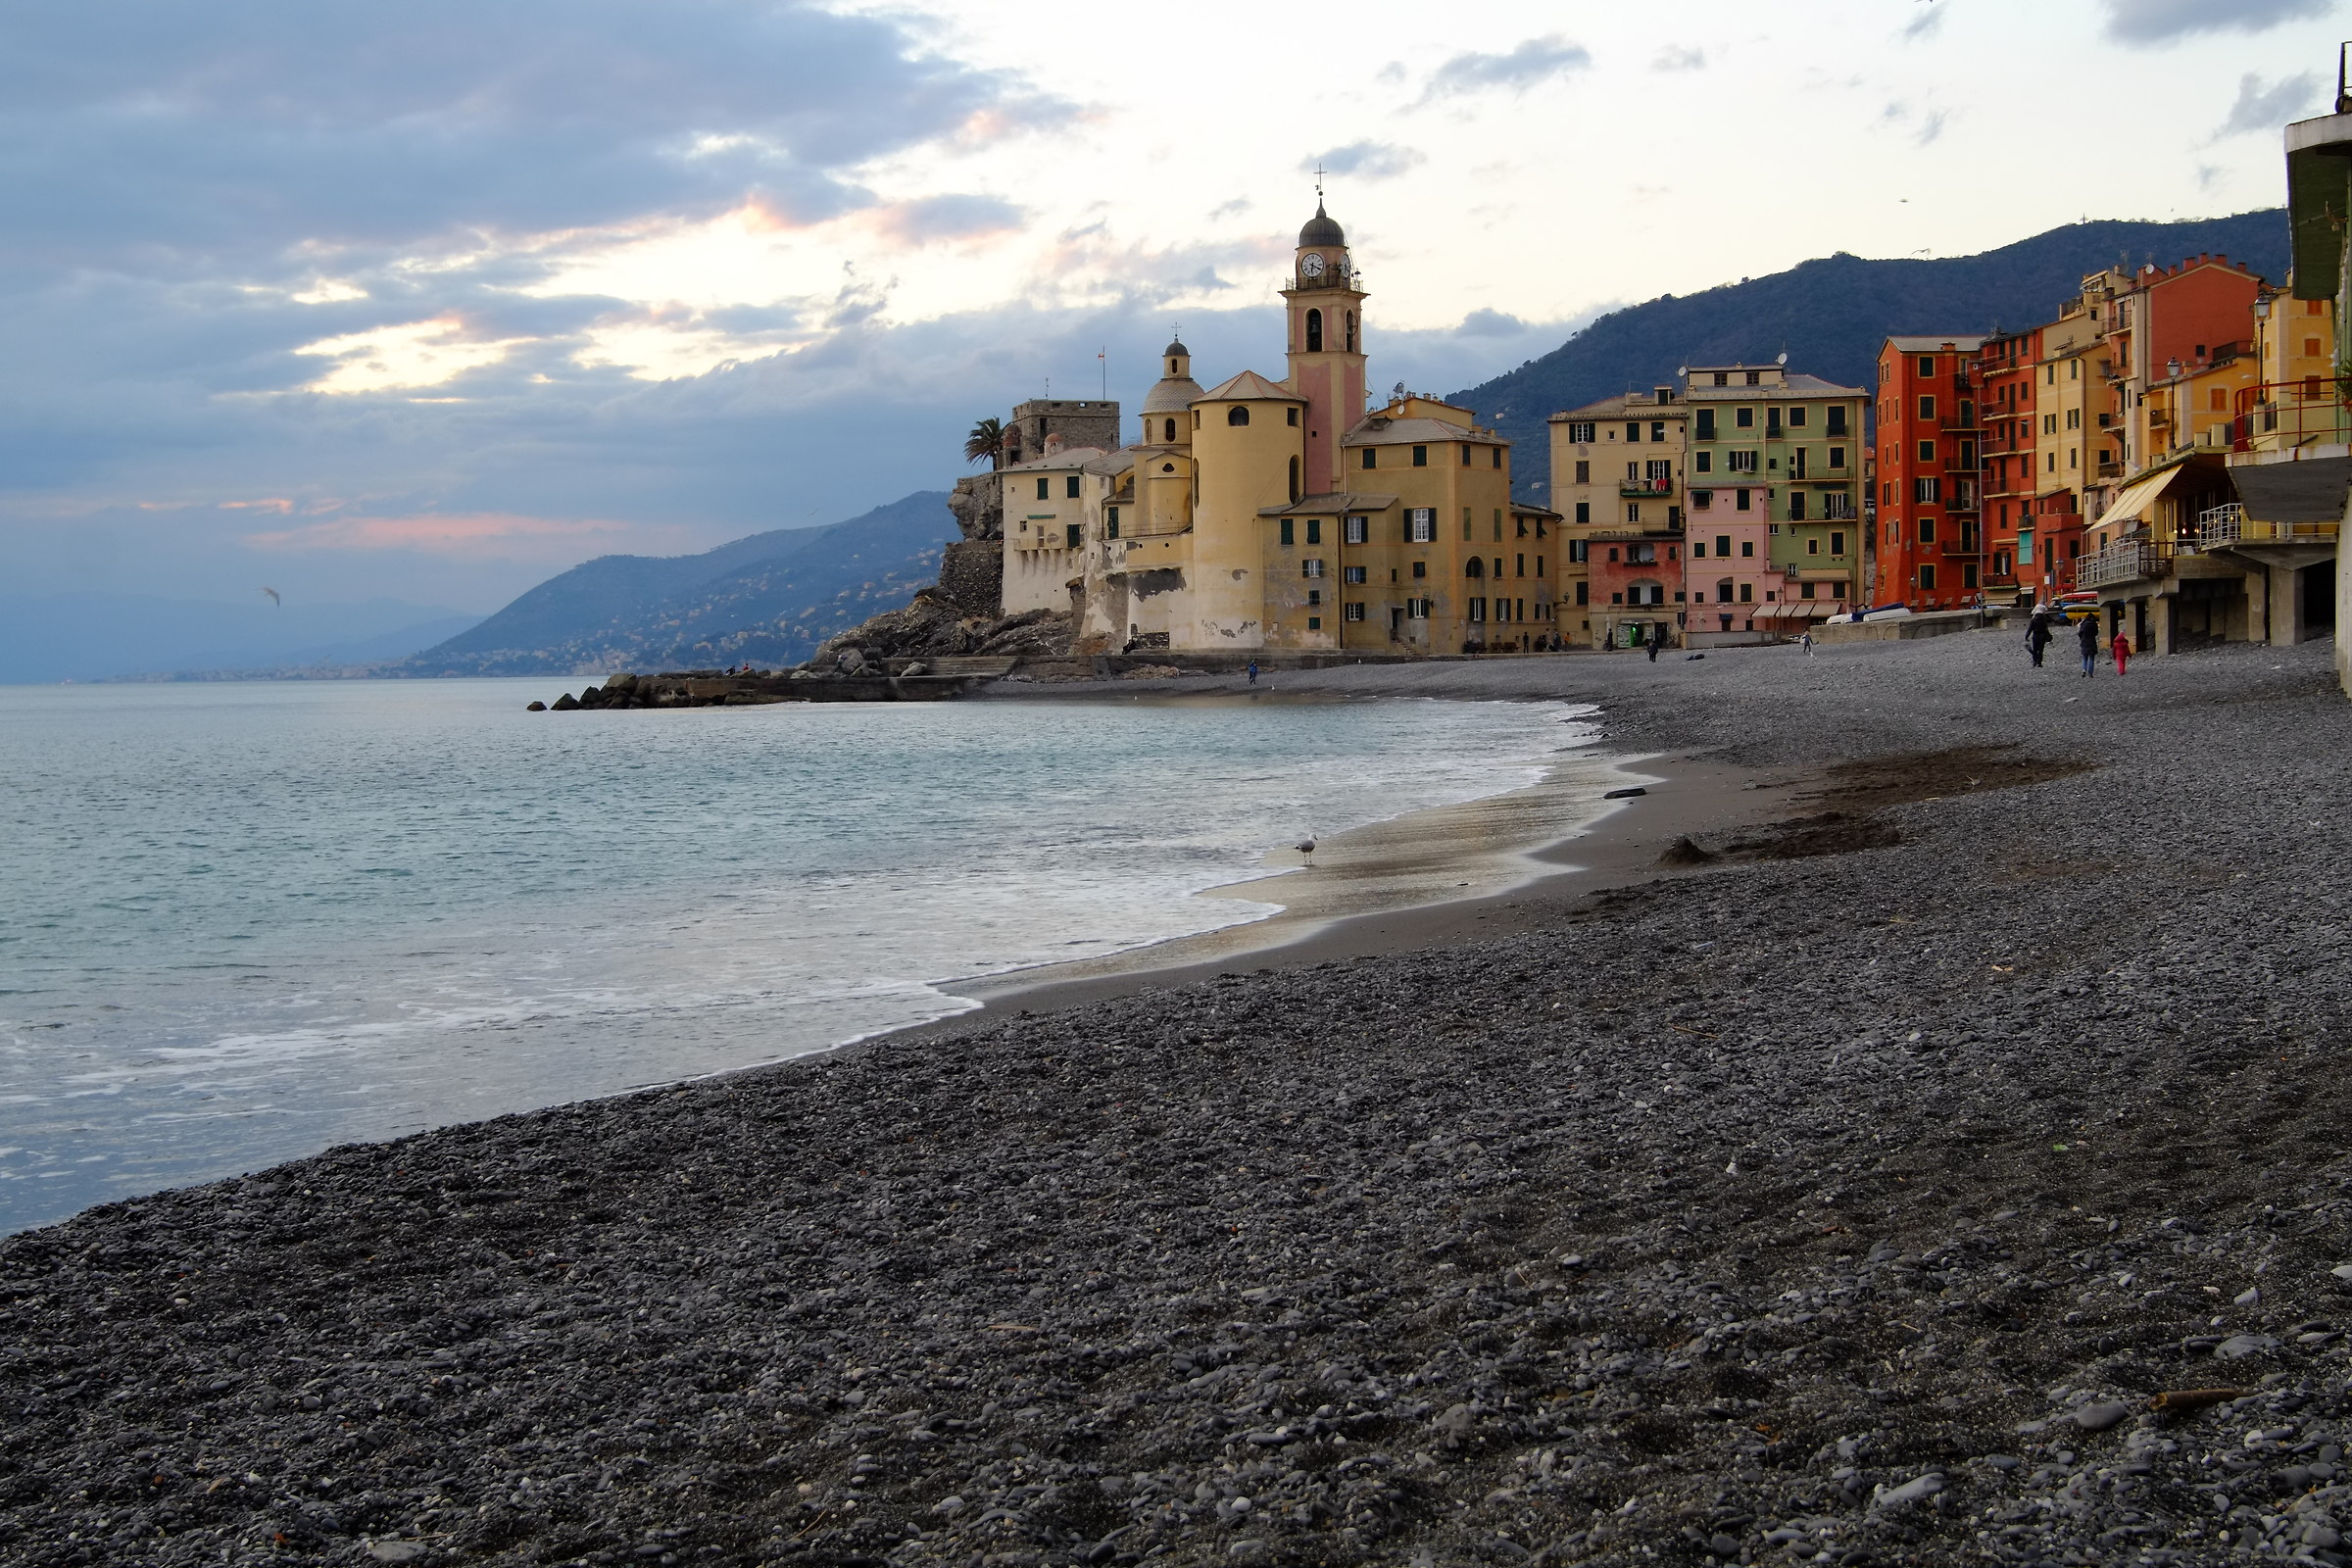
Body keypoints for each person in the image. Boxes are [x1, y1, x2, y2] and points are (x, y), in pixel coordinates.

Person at [2076, 612, 2098, 679]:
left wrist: (2082, 638)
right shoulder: (2094, 624)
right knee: (2091, 658)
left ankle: (2084, 669)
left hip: (2084, 641)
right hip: (2092, 642)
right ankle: (2090, 673)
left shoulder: (2083, 624)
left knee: (2085, 657)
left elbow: (2080, 633)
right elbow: (2096, 633)